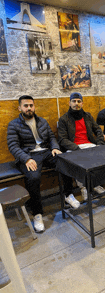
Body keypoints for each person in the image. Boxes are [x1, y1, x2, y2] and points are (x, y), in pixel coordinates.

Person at [7, 95, 76, 233]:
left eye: (31, 105)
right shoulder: (13, 125)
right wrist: (26, 159)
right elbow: (13, 146)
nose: (29, 108)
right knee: (33, 177)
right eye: (25, 106)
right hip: (28, 155)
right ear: (20, 108)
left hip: (45, 152)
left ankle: (68, 195)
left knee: (66, 162)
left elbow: (51, 137)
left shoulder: (42, 121)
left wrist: (55, 148)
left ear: (34, 106)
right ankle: (37, 213)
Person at [58, 92, 105, 200]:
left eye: (79, 101)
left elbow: (98, 130)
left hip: (89, 145)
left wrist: (99, 144)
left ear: (82, 103)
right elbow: (62, 139)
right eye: (74, 101)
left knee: (101, 157)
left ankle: (95, 184)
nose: (76, 104)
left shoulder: (88, 116)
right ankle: (84, 188)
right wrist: (76, 148)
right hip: (74, 147)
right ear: (69, 103)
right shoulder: (64, 119)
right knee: (79, 162)